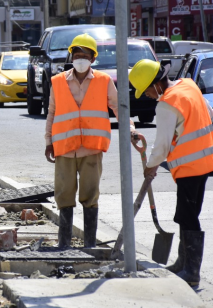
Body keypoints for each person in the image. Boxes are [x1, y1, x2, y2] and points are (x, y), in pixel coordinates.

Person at [129, 59, 213, 287]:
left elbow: (162, 144)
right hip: (206, 161)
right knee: (188, 214)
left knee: (188, 217)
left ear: (156, 84)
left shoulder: (166, 104)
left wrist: (151, 165)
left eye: (147, 90)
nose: (147, 95)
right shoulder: (189, 86)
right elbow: (207, 112)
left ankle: (191, 273)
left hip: (189, 166)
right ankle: (182, 263)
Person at [44, 33, 136, 249]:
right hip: (64, 148)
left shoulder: (104, 81)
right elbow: (52, 112)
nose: (81, 59)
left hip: (91, 149)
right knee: (64, 196)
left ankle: (90, 245)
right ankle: (64, 244)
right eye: (77, 55)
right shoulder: (57, 82)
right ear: (71, 57)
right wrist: (49, 141)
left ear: (93, 59)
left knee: (90, 195)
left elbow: (118, 106)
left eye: (85, 55)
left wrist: (130, 128)